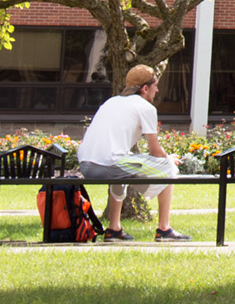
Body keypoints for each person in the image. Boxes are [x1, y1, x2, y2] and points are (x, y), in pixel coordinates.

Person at [76, 64, 190, 241]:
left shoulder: (111, 102)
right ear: (145, 88)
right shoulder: (146, 107)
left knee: (122, 168)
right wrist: (169, 159)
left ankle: (114, 229)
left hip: (86, 164)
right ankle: (164, 229)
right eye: (155, 86)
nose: (157, 90)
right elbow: (155, 150)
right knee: (168, 168)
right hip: (109, 163)